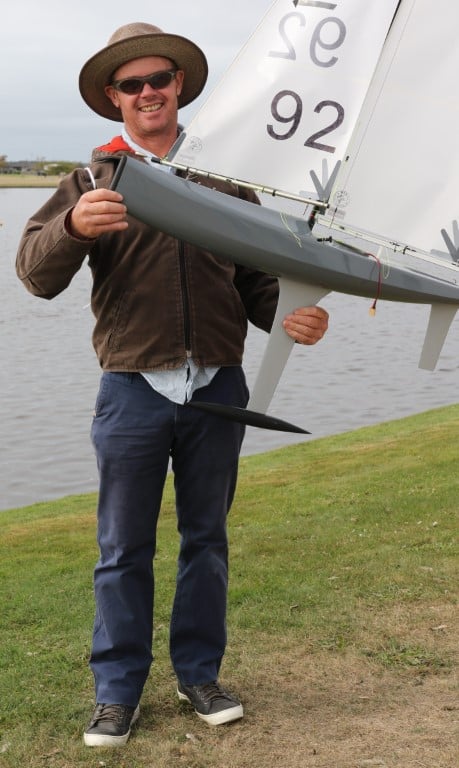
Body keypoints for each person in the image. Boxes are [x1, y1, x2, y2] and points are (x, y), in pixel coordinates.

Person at [16, 23, 329, 748]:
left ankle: (200, 675)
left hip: (219, 387)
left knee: (206, 540)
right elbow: (33, 274)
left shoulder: (225, 180)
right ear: (113, 97)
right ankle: (116, 692)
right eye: (132, 84)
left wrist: (294, 319)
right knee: (122, 549)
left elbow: (258, 285)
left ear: (179, 84)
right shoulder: (90, 181)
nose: (148, 91)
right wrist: (73, 228)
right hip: (131, 391)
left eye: (159, 78)